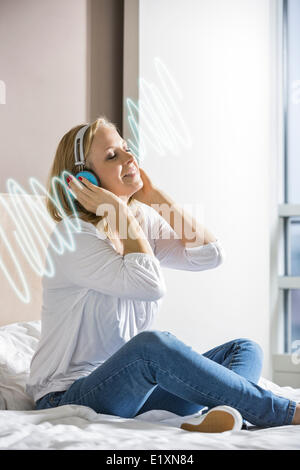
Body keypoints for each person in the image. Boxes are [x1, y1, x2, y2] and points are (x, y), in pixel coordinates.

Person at [26, 116, 300, 432]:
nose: (131, 159)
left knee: (244, 349)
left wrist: (154, 197)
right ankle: (282, 411)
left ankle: (226, 415)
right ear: (84, 179)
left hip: (133, 390)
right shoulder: (73, 236)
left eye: (126, 149)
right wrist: (118, 212)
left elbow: (210, 255)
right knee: (150, 347)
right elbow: (149, 286)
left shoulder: (139, 220)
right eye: (113, 156)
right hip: (69, 397)